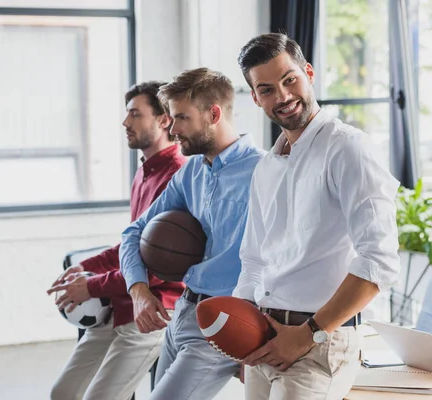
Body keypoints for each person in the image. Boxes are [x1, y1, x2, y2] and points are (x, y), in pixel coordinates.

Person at [233, 32, 401, 400]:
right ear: (255, 97)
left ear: (308, 73)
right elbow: (254, 257)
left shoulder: (348, 149)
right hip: (265, 336)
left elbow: (380, 260)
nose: (283, 96)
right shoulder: (266, 166)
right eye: (267, 89)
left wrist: (309, 334)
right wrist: (243, 329)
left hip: (319, 343)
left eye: (289, 79)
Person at [119, 67, 266, 400]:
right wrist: (139, 289)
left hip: (225, 322)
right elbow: (134, 233)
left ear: (213, 114)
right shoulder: (190, 175)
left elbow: (284, 257)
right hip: (183, 313)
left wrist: (261, 334)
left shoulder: (265, 172)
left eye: (181, 118)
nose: (171, 128)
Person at [46, 81, 186, 400]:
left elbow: (160, 266)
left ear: (164, 120)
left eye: (135, 114)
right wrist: (84, 267)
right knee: (63, 393)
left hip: (153, 313)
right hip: (119, 306)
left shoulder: (177, 176)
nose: (126, 123)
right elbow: (131, 247)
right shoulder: (144, 173)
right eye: (127, 115)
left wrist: (92, 286)